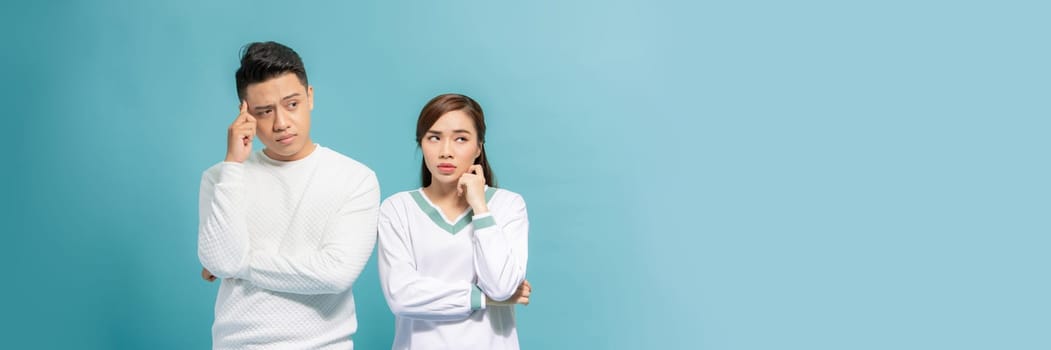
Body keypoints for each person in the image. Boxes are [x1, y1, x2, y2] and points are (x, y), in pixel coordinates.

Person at [197, 41, 379, 349]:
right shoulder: (221, 177)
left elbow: (335, 274)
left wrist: (242, 264)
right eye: (265, 111)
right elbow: (219, 259)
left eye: (291, 104)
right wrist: (233, 165)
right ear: (245, 114)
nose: (281, 123)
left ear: (310, 97)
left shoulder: (355, 179)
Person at [377, 93, 532, 349]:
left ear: (479, 147)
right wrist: (484, 300)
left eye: (461, 139)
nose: (445, 151)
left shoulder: (507, 206)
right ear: (421, 143)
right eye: (434, 138)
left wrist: (480, 208)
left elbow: (503, 287)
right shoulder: (397, 209)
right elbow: (401, 296)